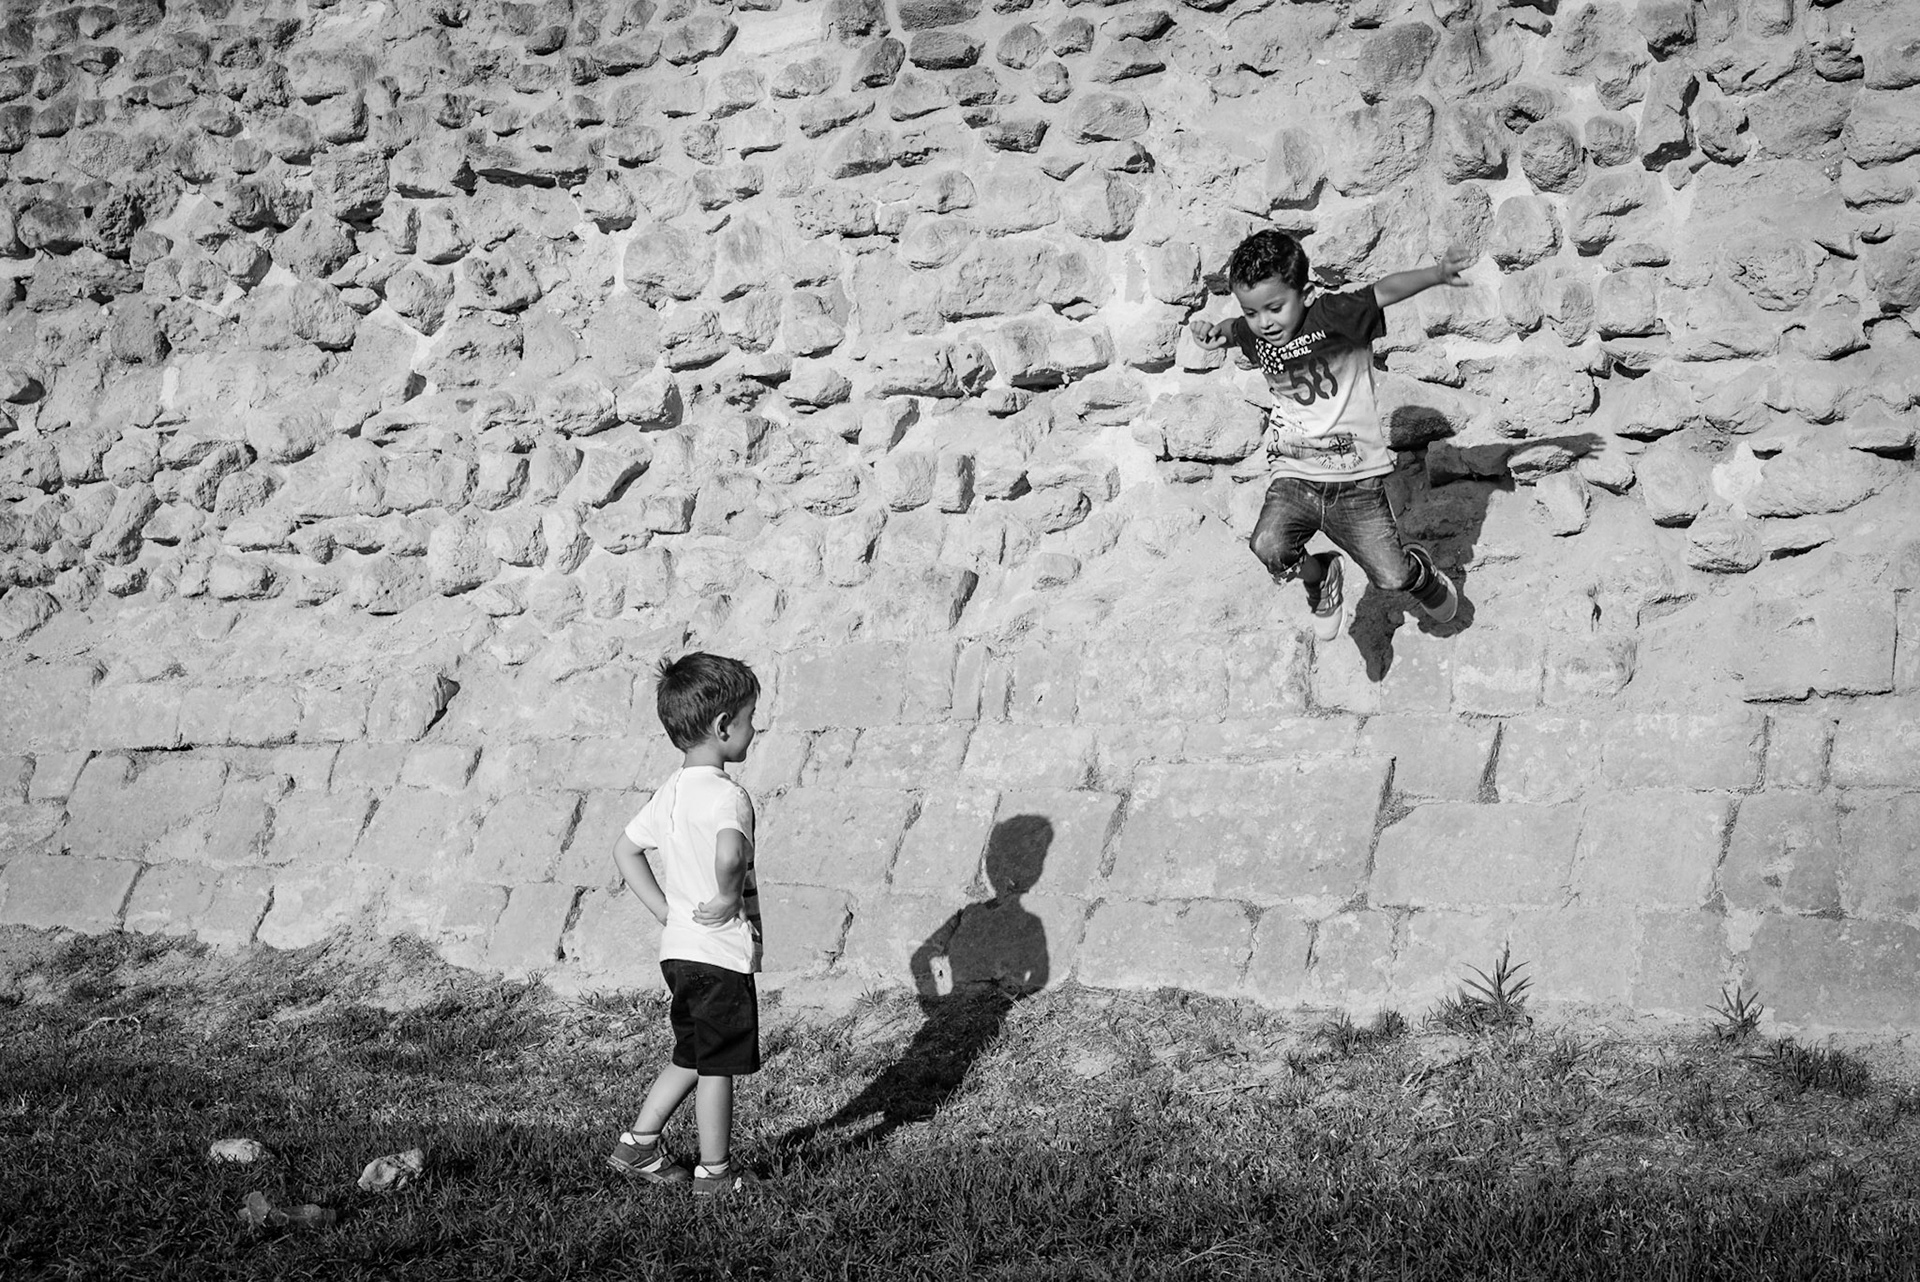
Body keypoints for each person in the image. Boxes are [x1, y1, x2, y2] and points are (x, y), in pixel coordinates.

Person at [1190, 229, 1470, 641]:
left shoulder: (1335, 316)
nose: (1264, 323)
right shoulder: (1256, 331)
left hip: (1356, 480)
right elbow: (1236, 330)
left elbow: (1383, 291)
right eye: (1253, 312)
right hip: (1295, 474)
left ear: (1304, 294)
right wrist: (1215, 333)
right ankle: (1320, 574)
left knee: (1391, 577)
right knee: (1268, 546)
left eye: (1274, 308)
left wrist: (1436, 273)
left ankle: (1420, 575)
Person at [604, 652, 763, 1196]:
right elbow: (728, 854)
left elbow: (625, 851)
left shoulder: (669, 791)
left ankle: (639, 1144)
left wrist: (663, 910)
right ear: (723, 727)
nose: (753, 728)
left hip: (679, 951)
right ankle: (716, 1174)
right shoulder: (729, 794)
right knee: (718, 1066)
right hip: (718, 953)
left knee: (691, 1054)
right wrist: (724, 895)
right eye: (748, 718)